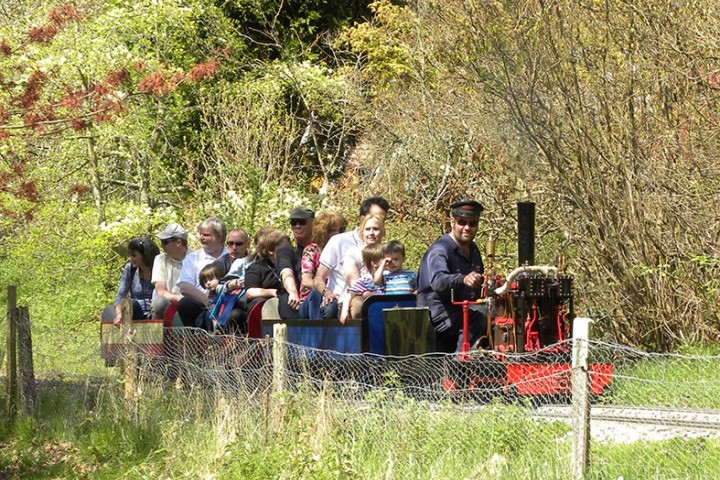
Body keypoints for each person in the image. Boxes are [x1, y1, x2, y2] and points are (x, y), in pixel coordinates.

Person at [416, 199, 487, 353]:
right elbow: (437, 281)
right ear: (453, 222)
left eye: (472, 223)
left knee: (495, 313)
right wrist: (463, 278)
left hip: (464, 308)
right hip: (437, 314)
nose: (467, 228)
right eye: (462, 222)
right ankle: (458, 367)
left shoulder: (473, 249)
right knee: (478, 317)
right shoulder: (440, 250)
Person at [313, 197, 391, 320]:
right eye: (374, 217)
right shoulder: (340, 242)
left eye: (382, 219)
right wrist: (327, 293)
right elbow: (319, 278)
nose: (372, 231)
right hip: (343, 300)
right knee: (358, 306)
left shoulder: (387, 251)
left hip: (378, 297)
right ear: (362, 219)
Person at [176, 217, 229, 328]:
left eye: (206, 235)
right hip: (202, 304)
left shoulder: (232, 256)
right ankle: (197, 341)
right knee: (185, 303)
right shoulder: (193, 258)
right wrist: (209, 302)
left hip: (230, 304)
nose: (201, 238)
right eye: (200, 234)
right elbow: (184, 287)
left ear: (219, 236)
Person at [298, 211, 347, 319]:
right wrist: (326, 291)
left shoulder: (343, 251)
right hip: (309, 301)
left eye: (341, 230)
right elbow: (306, 281)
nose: (339, 234)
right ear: (323, 232)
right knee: (317, 292)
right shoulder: (312, 250)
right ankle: (317, 331)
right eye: (333, 231)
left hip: (335, 297)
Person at [275, 207, 315, 319]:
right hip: (292, 295)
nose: (297, 226)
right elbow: (286, 272)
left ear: (313, 224)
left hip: (315, 293)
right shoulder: (286, 250)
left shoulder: (321, 249)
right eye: (293, 223)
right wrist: (293, 292)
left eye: (302, 222)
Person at [111, 237, 160, 326]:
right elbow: (120, 295)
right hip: (136, 315)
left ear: (145, 256)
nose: (130, 258)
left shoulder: (160, 268)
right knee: (132, 303)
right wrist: (119, 315)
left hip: (156, 316)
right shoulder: (130, 269)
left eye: (134, 256)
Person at [243, 228, 289, 317]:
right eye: (284, 247)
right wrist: (273, 292)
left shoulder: (292, 264)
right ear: (271, 250)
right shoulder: (256, 267)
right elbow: (251, 292)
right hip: (265, 306)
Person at [150, 223, 192, 320]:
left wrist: (185, 301)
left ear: (178, 242)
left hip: (190, 305)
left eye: (165, 242)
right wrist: (180, 298)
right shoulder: (160, 259)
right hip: (167, 304)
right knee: (159, 302)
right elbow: (160, 291)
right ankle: (158, 334)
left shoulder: (196, 259)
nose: (161, 246)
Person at [340, 243, 385, 324]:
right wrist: (344, 311)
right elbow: (350, 294)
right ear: (374, 264)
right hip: (374, 314)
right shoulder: (366, 280)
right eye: (384, 259)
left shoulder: (389, 276)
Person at [197, 262, 225, 331]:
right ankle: (210, 333)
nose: (208, 283)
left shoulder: (223, 288)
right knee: (205, 315)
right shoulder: (211, 293)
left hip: (224, 311)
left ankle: (216, 331)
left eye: (211, 279)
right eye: (205, 281)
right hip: (214, 313)